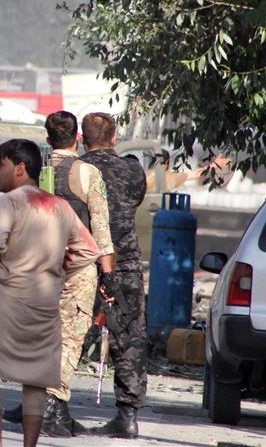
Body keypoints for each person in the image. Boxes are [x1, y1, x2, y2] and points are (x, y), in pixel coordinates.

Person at [0, 139, 99, 447]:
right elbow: (88, 250)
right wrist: (57, 270)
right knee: (38, 377)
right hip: (46, 301)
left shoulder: (6, 203)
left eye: (0, 165)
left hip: (8, 296)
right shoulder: (61, 206)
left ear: (20, 168)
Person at [2, 111, 116, 437]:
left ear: (48, 139)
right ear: (77, 138)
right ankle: (52, 405)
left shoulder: (32, 172)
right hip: (77, 268)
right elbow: (101, 229)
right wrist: (107, 275)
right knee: (69, 338)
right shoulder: (87, 173)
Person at [80, 112, 148, 439]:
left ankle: (47, 403)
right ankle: (127, 415)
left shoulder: (77, 171)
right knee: (129, 338)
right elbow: (135, 199)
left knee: (69, 333)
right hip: (126, 264)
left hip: (87, 262)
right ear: (114, 138)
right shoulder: (132, 170)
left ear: (82, 139)